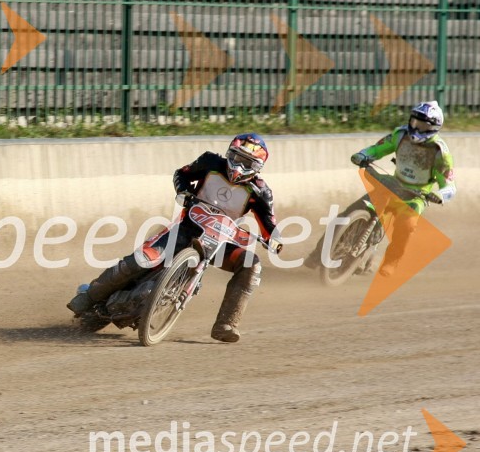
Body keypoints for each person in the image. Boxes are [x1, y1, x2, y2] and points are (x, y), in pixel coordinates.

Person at [67, 133, 278, 343]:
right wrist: (184, 191)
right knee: (141, 259)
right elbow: (182, 174)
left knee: (251, 264)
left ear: (257, 166)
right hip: (186, 229)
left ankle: (227, 323)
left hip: (220, 242)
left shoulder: (260, 192)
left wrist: (274, 241)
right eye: (236, 157)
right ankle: (88, 297)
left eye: (246, 162)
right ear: (228, 153)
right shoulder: (210, 162)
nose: (238, 166)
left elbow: (269, 224)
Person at [305, 101, 456, 276]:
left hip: (415, 196)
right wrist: (363, 155)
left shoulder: (440, 153)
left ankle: (392, 261)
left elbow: (450, 186)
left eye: (422, 124)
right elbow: (378, 148)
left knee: (406, 227)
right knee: (344, 216)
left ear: (433, 127)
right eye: (414, 121)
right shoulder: (400, 135)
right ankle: (318, 255)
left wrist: (439, 195)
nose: (416, 126)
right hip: (390, 185)